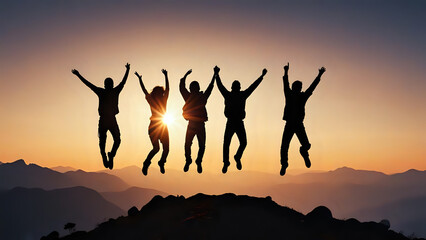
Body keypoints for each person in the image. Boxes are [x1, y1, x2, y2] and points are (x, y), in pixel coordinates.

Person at [71, 63, 130, 169]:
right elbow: (123, 82)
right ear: (110, 84)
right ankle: (108, 155)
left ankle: (109, 156)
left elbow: (88, 84)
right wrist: (127, 70)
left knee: (109, 141)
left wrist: (78, 75)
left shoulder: (104, 91)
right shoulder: (112, 91)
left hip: (107, 120)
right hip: (109, 120)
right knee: (113, 140)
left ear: (105, 85)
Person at [215, 66, 267, 173]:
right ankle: (228, 161)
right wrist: (261, 76)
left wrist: (217, 74)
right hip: (234, 122)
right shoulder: (236, 95)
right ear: (237, 87)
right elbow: (253, 87)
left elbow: (220, 86)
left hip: (235, 122)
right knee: (235, 143)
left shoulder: (232, 95)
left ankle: (233, 159)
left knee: (235, 143)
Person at [280, 62, 326, 176]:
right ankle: (284, 164)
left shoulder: (301, 96)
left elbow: (311, 87)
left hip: (297, 124)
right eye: (298, 87)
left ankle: (304, 152)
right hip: (291, 124)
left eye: (299, 88)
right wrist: (286, 72)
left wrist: (319, 75)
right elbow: (286, 83)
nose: (298, 89)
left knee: (305, 145)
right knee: (284, 146)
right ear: (295, 88)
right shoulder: (290, 95)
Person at [179, 69, 215, 173]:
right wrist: (214, 75)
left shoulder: (190, 97)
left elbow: (181, 87)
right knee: (199, 145)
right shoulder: (200, 97)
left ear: (191, 89)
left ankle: (191, 161)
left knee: (189, 144)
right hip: (198, 124)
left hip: (193, 124)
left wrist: (185, 75)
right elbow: (210, 88)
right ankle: (194, 161)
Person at [135, 69, 170, 175]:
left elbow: (145, 90)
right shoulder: (161, 100)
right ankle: (150, 163)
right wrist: (166, 76)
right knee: (161, 149)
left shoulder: (154, 99)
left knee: (160, 149)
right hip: (159, 125)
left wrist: (140, 79)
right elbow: (167, 89)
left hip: (158, 125)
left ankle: (158, 162)